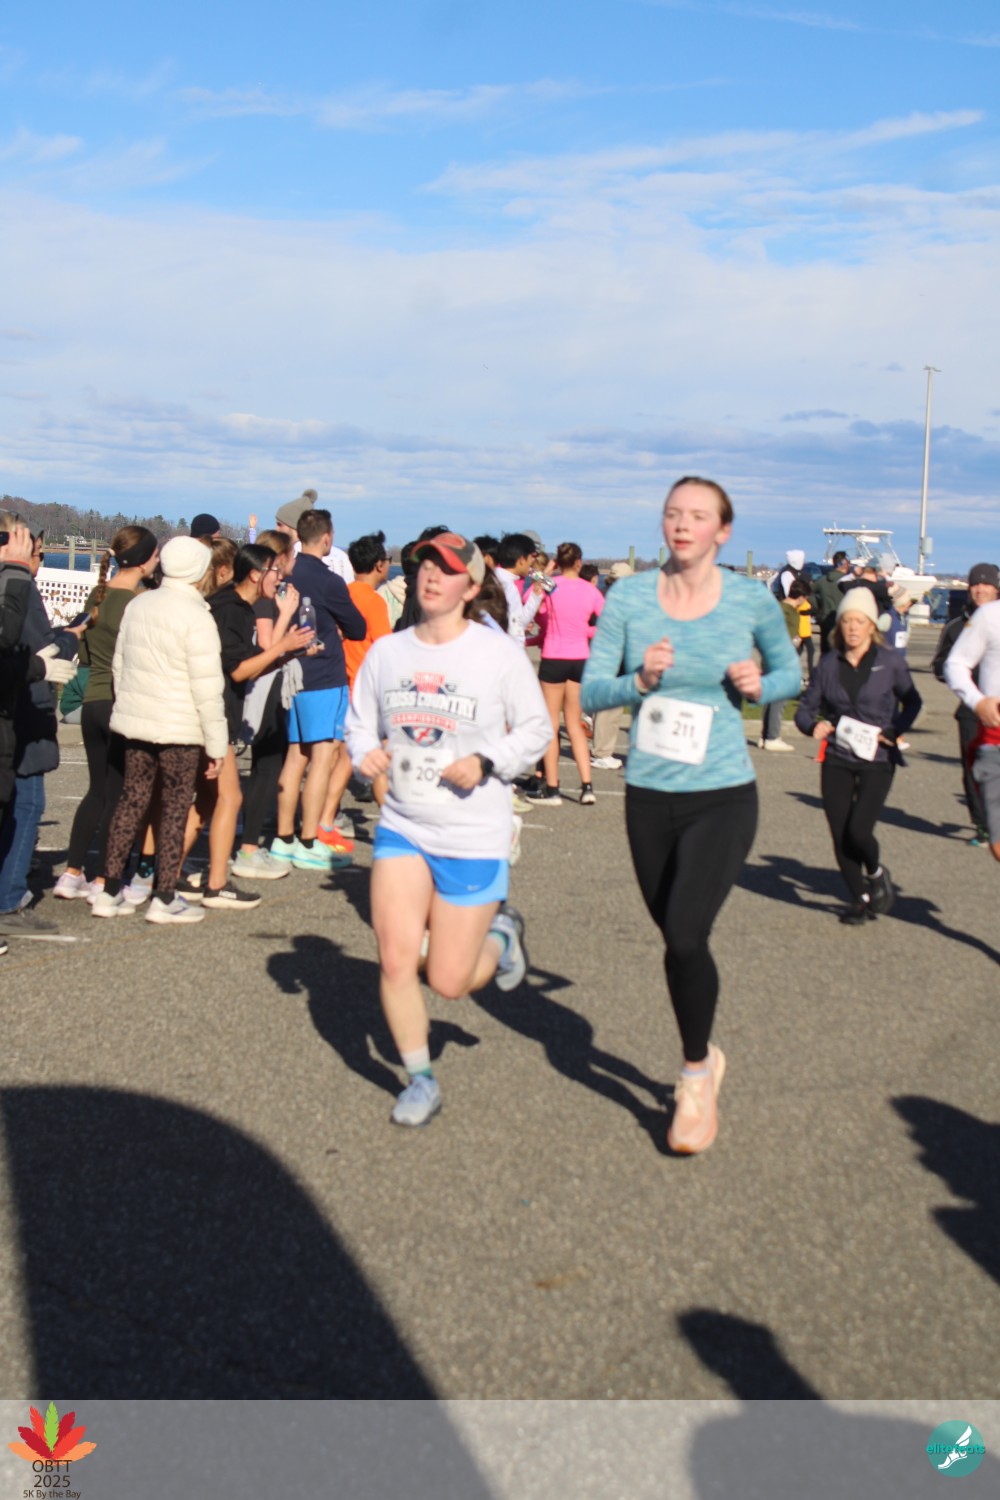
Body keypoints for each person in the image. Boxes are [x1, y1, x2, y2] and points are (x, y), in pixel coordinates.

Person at [582, 477, 800, 1155]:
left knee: (682, 931)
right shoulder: (629, 598)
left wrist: (761, 684)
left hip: (722, 793)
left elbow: (791, 675)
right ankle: (703, 1054)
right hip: (650, 794)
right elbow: (591, 691)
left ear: (722, 531)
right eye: (673, 513)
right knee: (679, 939)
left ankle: (696, 1075)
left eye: (698, 516)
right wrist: (639, 681)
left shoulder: (748, 599)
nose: (682, 524)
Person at [345, 532, 552, 1128]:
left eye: (447, 569)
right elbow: (358, 724)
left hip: (472, 833)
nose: (432, 576)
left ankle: (502, 934)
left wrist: (487, 762)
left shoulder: (497, 655)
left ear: (471, 585)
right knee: (395, 960)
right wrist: (364, 754)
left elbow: (536, 729)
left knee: (449, 980)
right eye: (424, 567)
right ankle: (421, 1081)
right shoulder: (388, 653)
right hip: (404, 826)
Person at [91, 536, 229, 924]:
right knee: (174, 808)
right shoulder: (198, 616)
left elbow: (120, 665)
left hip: (136, 720)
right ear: (199, 570)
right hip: (179, 728)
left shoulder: (139, 604)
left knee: (130, 801)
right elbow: (208, 688)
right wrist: (217, 744)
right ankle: (164, 896)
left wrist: (128, 703)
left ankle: (109, 891)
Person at [183, 543, 316, 908]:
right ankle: (216, 884)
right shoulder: (232, 609)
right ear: (256, 574)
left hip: (214, 713)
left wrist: (289, 651)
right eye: (275, 570)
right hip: (212, 714)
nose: (281, 577)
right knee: (231, 797)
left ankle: (167, 872)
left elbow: (253, 663)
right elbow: (239, 670)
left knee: (206, 799)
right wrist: (282, 644)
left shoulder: (232, 605)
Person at [795, 588, 922, 922]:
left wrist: (895, 729)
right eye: (847, 620)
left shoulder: (889, 661)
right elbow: (805, 710)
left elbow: (913, 701)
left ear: (871, 626)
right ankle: (859, 898)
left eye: (860, 621)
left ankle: (876, 873)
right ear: (840, 625)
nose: (853, 627)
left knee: (859, 831)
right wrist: (812, 726)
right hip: (838, 755)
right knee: (839, 832)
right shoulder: (828, 664)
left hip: (877, 759)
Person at [55, 527, 161, 902]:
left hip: (92, 702)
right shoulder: (137, 603)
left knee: (96, 791)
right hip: (121, 701)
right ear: (145, 560)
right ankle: (104, 876)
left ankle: (71, 872)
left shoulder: (97, 594)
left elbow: (84, 653)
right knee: (120, 794)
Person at [271, 509, 366, 872]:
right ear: (327, 538)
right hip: (324, 676)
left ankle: (283, 838)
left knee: (296, 756)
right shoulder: (330, 581)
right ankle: (308, 840)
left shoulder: (289, 574)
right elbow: (356, 628)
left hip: (292, 673)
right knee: (322, 759)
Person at [0, 513, 81, 935]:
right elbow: (35, 646)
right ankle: (9, 897)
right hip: (25, 713)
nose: (39, 560)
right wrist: (70, 638)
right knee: (27, 804)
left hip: (16, 712)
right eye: (37, 551)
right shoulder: (16, 585)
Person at [315, 529, 392, 851]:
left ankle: (324, 817)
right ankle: (326, 819)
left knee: (335, 756)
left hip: (337, 679)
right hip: (363, 688)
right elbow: (385, 648)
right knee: (354, 757)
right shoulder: (374, 601)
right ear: (379, 565)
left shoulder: (342, 593)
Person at [526, 542, 604, 806]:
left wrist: (546, 571)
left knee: (550, 723)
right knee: (574, 724)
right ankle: (587, 785)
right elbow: (607, 621)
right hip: (580, 657)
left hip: (554, 656)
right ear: (579, 562)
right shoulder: (590, 590)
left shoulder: (552, 585)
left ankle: (553, 787)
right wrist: (587, 631)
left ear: (558, 562)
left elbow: (530, 600)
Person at [932, 562, 1000, 846]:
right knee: (975, 771)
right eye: (975, 584)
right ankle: (983, 824)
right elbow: (944, 665)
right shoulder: (957, 626)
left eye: (986, 584)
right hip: (974, 710)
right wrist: (969, 685)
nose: (980, 589)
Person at [275, 490, 355, 583]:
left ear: (294, 526)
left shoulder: (290, 556)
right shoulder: (342, 556)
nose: (276, 529)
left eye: (280, 525)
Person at [494, 533, 545, 648]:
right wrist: (536, 595)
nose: (533, 561)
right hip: (507, 648)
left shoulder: (493, 577)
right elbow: (518, 625)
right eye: (533, 556)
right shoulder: (509, 587)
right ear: (522, 559)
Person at [813, 550, 851, 652]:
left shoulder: (822, 580)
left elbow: (808, 593)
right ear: (844, 564)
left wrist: (817, 607)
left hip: (825, 619)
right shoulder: (849, 581)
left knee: (826, 652)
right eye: (848, 563)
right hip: (843, 621)